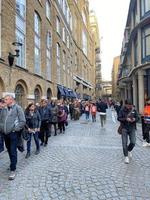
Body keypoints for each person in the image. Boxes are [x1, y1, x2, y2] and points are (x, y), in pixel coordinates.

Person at [0, 95, 26, 180]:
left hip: (13, 134)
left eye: (6, 99)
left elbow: (22, 121)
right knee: (9, 150)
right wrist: (1, 128)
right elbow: (1, 120)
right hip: (5, 134)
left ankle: (13, 170)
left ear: (11, 100)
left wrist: (15, 129)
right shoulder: (4, 109)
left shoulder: (18, 108)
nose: (4, 101)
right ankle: (12, 163)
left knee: (13, 150)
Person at [117, 100, 139, 164]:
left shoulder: (134, 110)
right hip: (124, 128)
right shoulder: (122, 110)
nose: (130, 106)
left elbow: (138, 118)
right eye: (128, 105)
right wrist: (125, 119)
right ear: (126, 105)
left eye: (131, 105)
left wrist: (135, 119)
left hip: (132, 128)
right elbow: (118, 118)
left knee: (133, 142)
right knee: (124, 143)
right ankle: (126, 157)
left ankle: (129, 150)